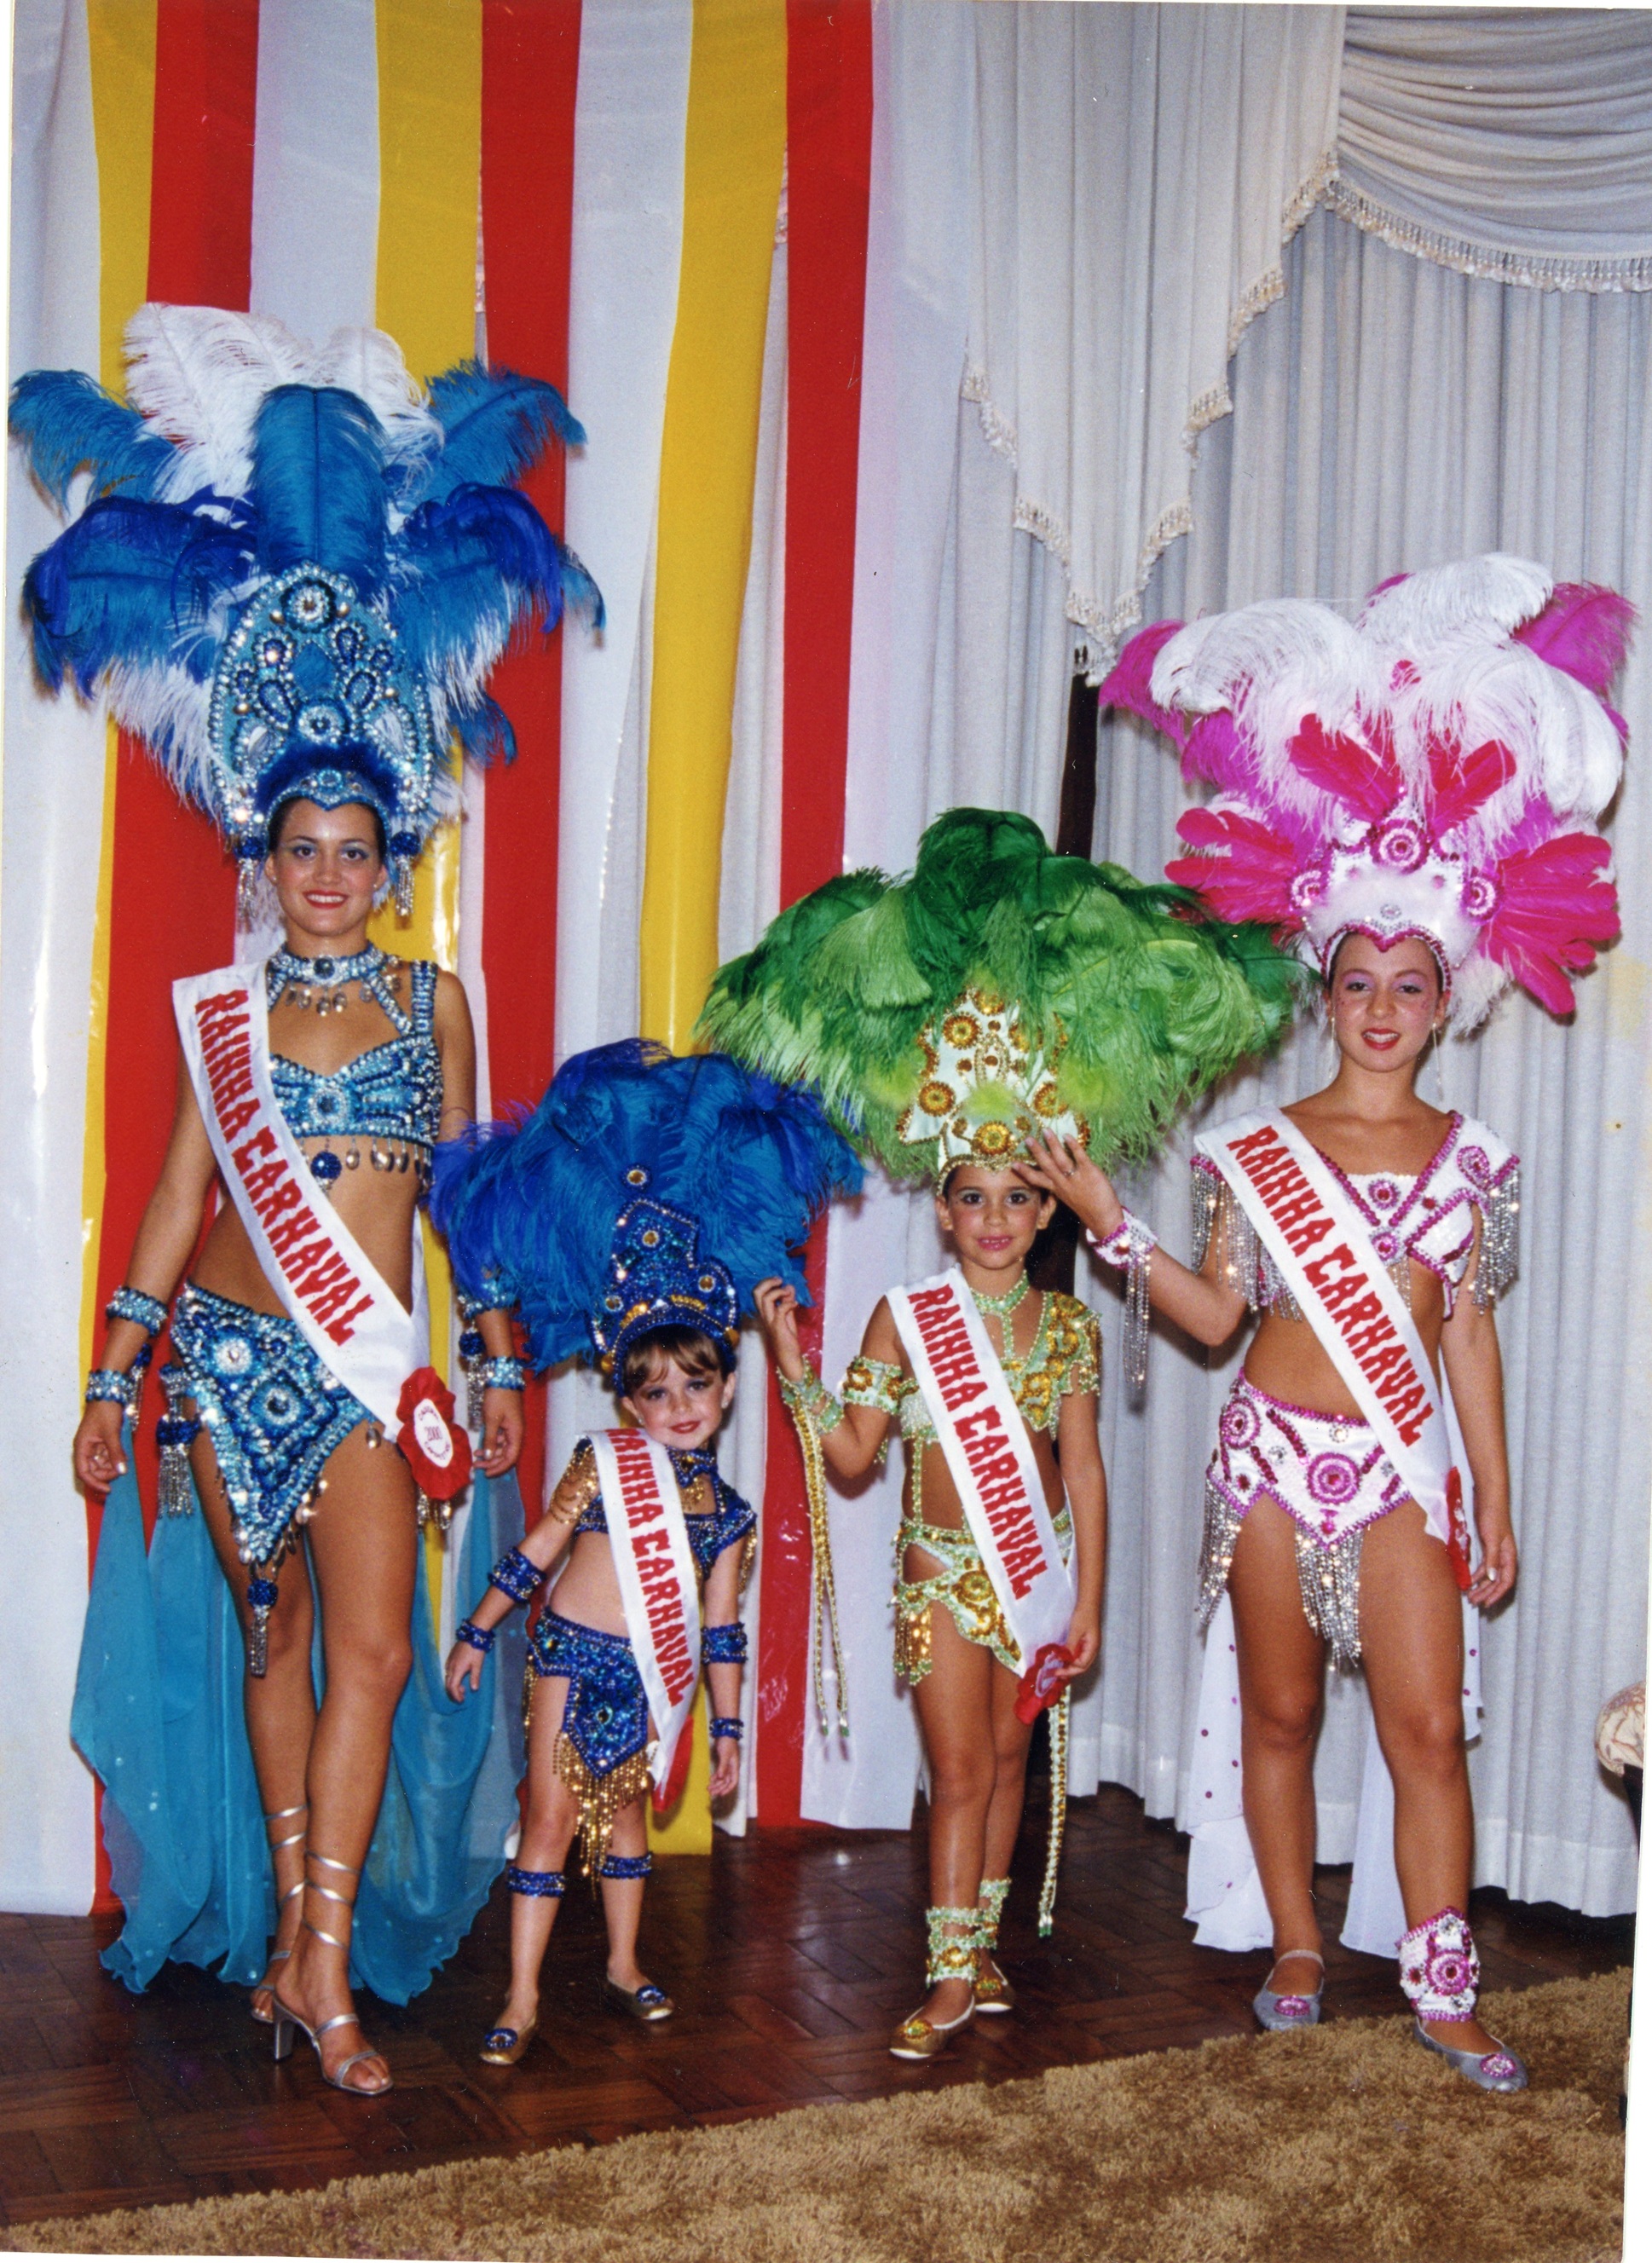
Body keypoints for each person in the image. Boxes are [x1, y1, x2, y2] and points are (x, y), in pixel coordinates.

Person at [23, 304, 599, 2093]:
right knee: (271, 1639)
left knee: (376, 1646)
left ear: (388, 855)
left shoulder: (438, 1002)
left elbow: (466, 1205)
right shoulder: (225, 1014)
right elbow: (173, 1198)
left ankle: (330, 1965)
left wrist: (491, 1361)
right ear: (262, 857)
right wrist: (115, 1375)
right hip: (226, 1354)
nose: (330, 872)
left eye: (355, 848)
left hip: (367, 1376)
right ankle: (289, 1941)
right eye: (302, 848)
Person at [1050, 557, 1631, 2093]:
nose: (1379, 1005)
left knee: (1428, 1728)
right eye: (1357, 979)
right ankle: (1296, 1943)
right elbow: (1213, 1315)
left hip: (1401, 1469)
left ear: (1446, 998)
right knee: (1281, 1710)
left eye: (1407, 984)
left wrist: (1491, 1491)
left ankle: (1443, 1984)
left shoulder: (1474, 1161)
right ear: (1326, 988)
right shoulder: (1252, 1152)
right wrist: (1109, 1224)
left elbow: (1465, 1337)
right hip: (1267, 1458)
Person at [702, 807, 1302, 2058]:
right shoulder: (900, 1319)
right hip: (935, 1577)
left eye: (1016, 1196)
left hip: (1033, 1579)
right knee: (960, 1771)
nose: (990, 1215)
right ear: (944, 1209)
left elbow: (1082, 1471)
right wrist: (796, 1363)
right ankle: (943, 1969)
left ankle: (976, 1954)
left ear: (1044, 1213)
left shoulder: (1068, 1329)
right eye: (970, 1195)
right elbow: (854, 1459)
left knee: (1011, 1765)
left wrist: (1089, 1601)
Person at [430, 1040, 859, 2063]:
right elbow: (538, 1550)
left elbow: (722, 1628)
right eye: (656, 1392)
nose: (679, 1407)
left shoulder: (729, 1514)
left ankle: (623, 1964)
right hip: (570, 1658)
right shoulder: (600, 1463)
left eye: (696, 1386)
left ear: (728, 1388)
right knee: (547, 1822)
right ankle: (522, 1992)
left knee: (627, 1824)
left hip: (652, 1675)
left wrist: (729, 1728)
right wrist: (478, 1631)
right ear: (628, 1403)